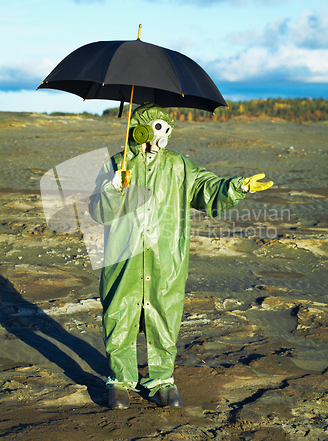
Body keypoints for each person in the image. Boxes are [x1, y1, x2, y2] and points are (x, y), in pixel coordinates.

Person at [88, 103, 273, 409]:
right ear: (142, 128)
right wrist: (113, 187)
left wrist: (237, 187)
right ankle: (120, 380)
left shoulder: (178, 166)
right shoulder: (116, 163)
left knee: (164, 313)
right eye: (158, 126)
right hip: (124, 257)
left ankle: (161, 380)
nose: (164, 133)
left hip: (166, 257)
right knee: (120, 313)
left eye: (168, 127)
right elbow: (99, 212)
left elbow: (207, 188)